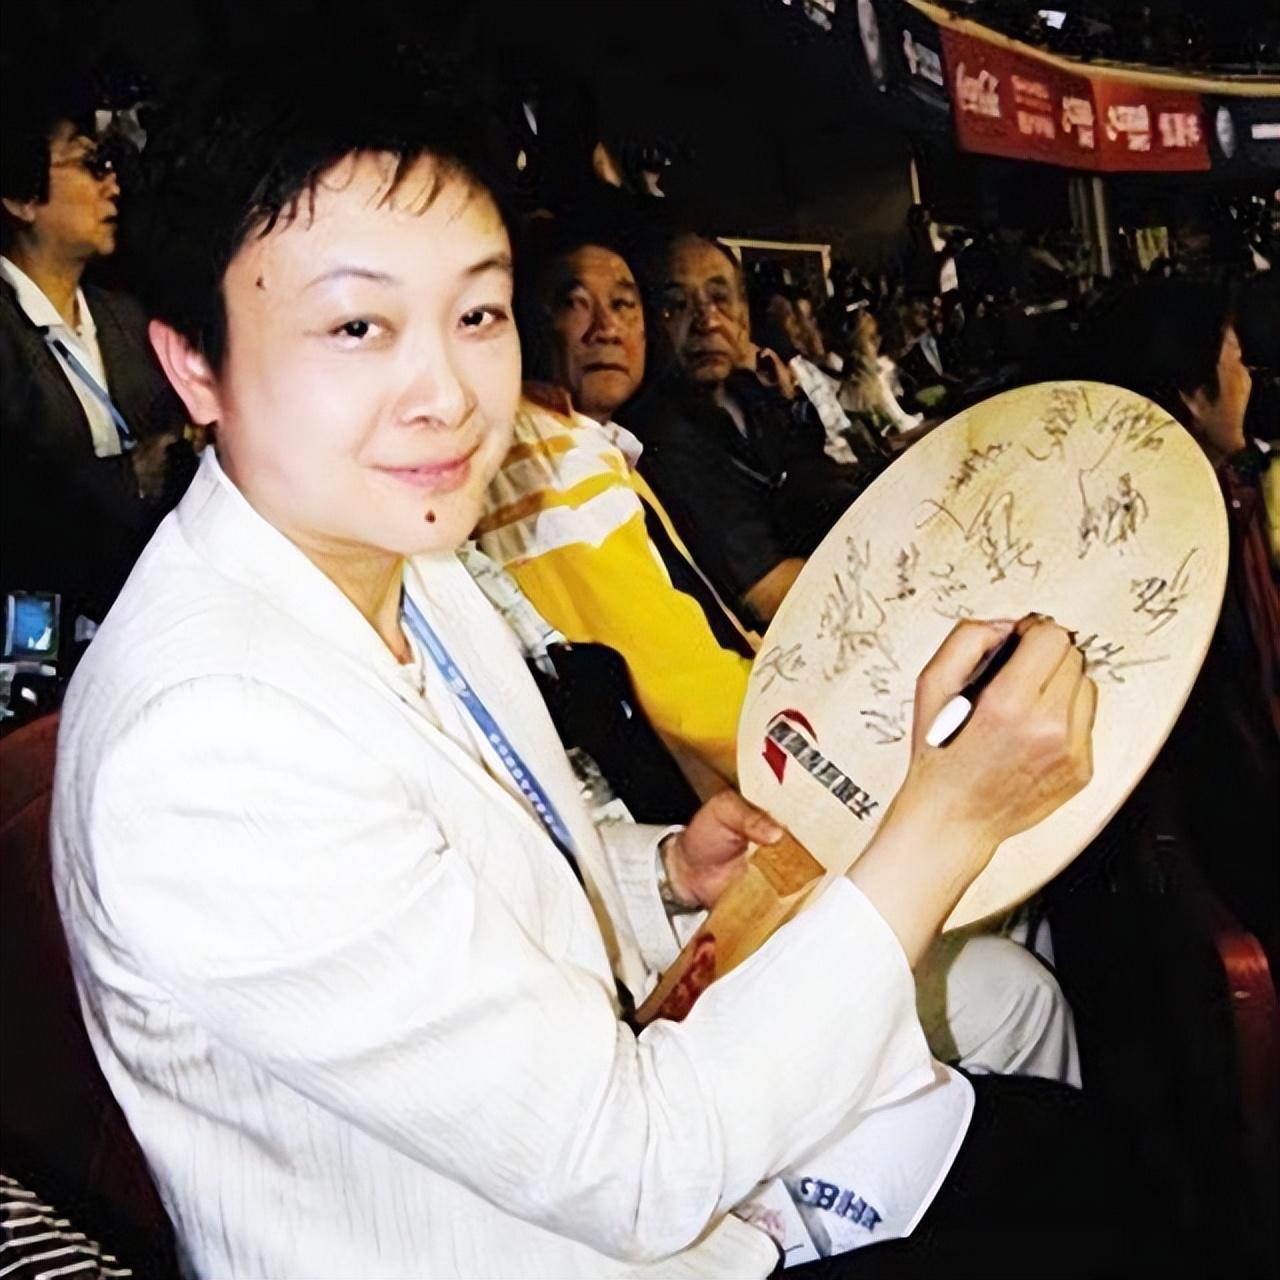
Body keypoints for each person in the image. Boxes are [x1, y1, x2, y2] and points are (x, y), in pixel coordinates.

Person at [54, 52, 1132, 1280]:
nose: (447, 395)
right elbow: (636, 1168)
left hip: (626, 1152)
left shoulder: (398, 555)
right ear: (194, 364)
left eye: (476, 314)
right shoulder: (204, 741)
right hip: (565, 1231)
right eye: (356, 327)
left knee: (1081, 1157)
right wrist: (947, 820)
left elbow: (449, 860)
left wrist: (657, 869)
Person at [1100, 281, 1279, 968]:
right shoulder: (1197, 534)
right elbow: (1242, 728)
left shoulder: (1142, 506)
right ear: (1193, 396)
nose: (1249, 381)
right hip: (1241, 845)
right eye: (1237, 364)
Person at [0, 77, 190, 646]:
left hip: (141, 617)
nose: (113, 186)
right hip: (36, 632)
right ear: (21, 198)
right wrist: (133, 476)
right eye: (92, 166)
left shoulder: (126, 318)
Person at [623, 233, 866, 627]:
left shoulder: (752, 393)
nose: (707, 322)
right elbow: (769, 594)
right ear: (649, 322)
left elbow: (814, 477)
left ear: (744, 316)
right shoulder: (659, 436)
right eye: (678, 305)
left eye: (720, 298)